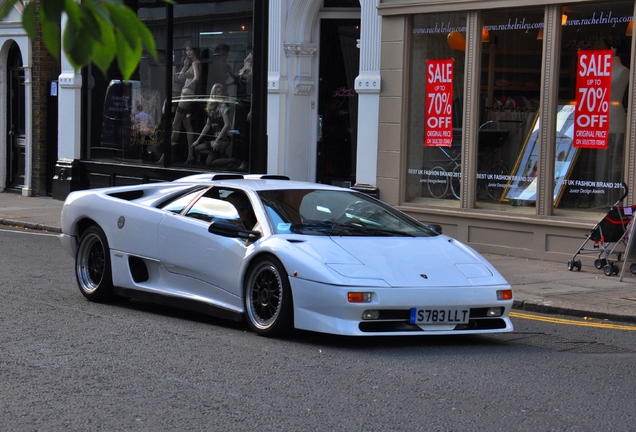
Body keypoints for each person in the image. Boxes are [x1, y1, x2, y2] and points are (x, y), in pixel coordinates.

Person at [159, 41, 201, 164]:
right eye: (186, 50)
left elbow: (196, 78)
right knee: (187, 126)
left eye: (190, 50)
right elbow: (182, 77)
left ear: (194, 51)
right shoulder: (192, 63)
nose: (188, 52)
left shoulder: (195, 62)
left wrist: (190, 85)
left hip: (186, 95)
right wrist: (184, 68)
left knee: (175, 125)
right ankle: (190, 155)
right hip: (186, 95)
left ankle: (165, 157)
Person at [188, 83, 231, 165]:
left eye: (220, 92)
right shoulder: (213, 108)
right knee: (197, 148)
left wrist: (217, 141)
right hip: (214, 139)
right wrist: (198, 140)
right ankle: (220, 155)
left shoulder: (223, 107)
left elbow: (227, 125)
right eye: (216, 92)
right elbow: (207, 125)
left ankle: (232, 160)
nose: (218, 94)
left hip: (222, 139)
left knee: (209, 163)